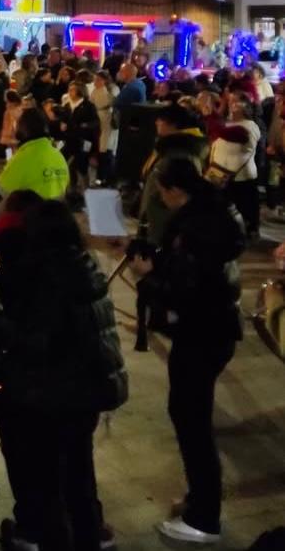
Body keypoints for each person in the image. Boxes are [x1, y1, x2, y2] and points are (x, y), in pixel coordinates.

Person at [0, 194, 126, 551]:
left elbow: (33, 341)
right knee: (79, 477)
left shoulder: (47, 276)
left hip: (55, 393)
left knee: (48, 484)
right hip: (87, 388)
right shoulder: (83, 263)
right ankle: (89, 540)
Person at [131, 158, 244, 544]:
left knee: (191, 421)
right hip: (216, 329)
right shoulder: (213, 215)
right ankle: (200, 497)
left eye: (162, 190)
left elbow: (186, 290)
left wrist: (148, 279)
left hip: (201, 332)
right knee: (191, 416)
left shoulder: (197, 229)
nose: (160, 197)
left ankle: (204, 519)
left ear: (176, 189)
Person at [139, 105, 209, 242]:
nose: (156, 123)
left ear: (173, 124)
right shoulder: (170, 148)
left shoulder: (181, 153)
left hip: (166, 222)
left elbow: (181, 195)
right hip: (156, 216)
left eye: (160, 120)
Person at [0, 107, 72, 212]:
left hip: (31, 221)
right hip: (57, 219)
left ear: (23, 127)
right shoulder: (58, 156)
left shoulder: (22, 159)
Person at [210, 95, 262, 239]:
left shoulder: (250, 126)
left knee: (245, 206)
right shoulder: (225, 124)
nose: (232, 105)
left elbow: (240, 141)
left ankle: (248, 230)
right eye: (230, 102)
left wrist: (210, 114)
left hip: (241, 176)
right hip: (221, 175)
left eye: (236, 103)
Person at [89, 70, 120, 185]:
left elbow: (114, 102)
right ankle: (100, 176)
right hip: (98, 119)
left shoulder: (112, 89)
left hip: (107, 119)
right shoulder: (95, 91)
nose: (95, 82)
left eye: (98, 79)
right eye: (95, 79)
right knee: (100, 147)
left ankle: (107, 177)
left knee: (107, 148)